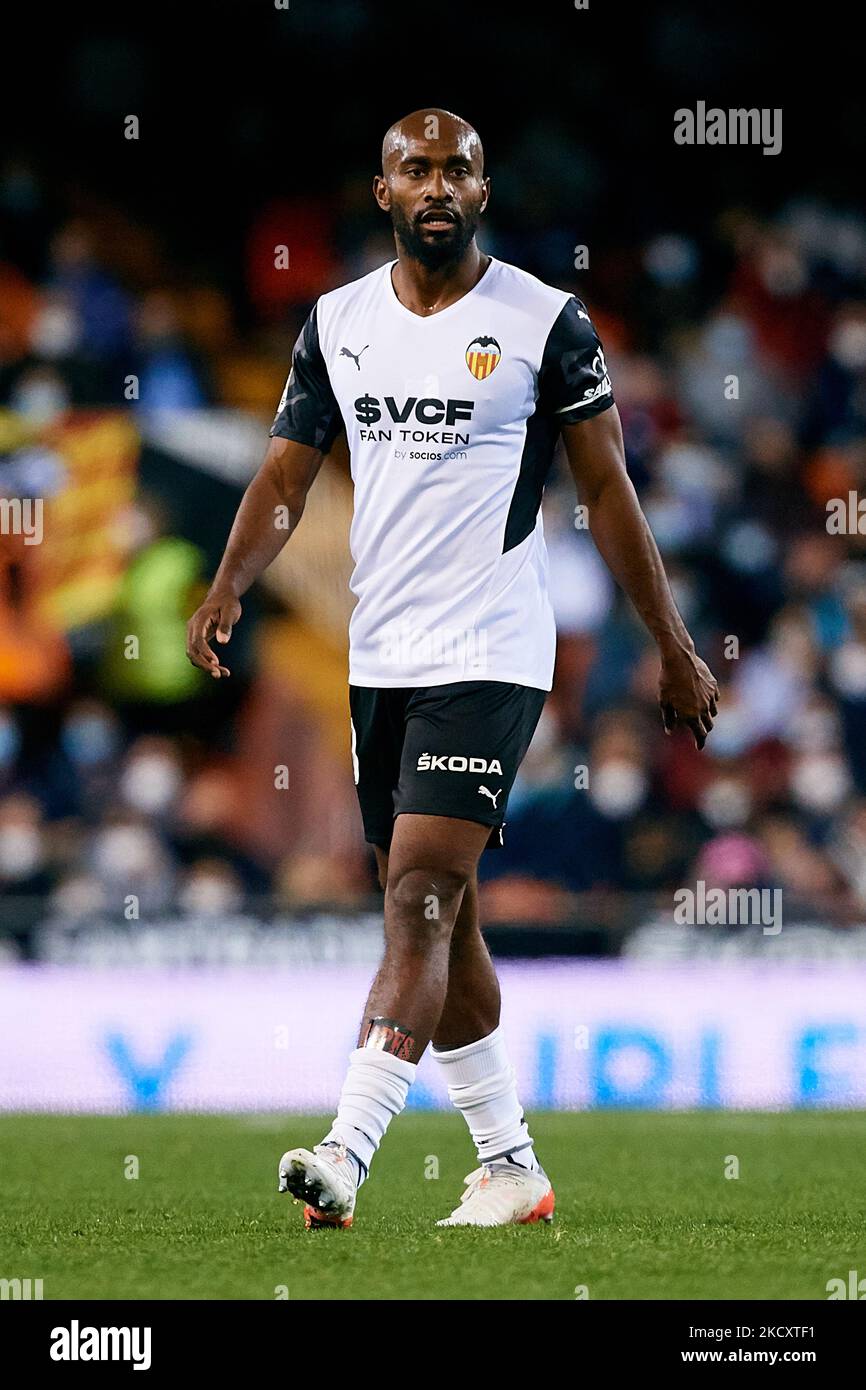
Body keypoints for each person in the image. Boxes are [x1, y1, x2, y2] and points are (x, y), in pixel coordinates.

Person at [186, 108, 719, 1229]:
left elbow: (608, 490)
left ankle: (347, 1148)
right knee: (447, 909)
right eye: (414, 169)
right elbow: (288, 472)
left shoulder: (542, 321)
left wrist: (670, 645)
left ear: (484, 192)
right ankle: (510, 1162)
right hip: (380, 653)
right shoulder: (336, 323)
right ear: (381, 192)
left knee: (417, 894)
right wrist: (231, 581)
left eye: (457, 170)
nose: (437, 184)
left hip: (491, 647)